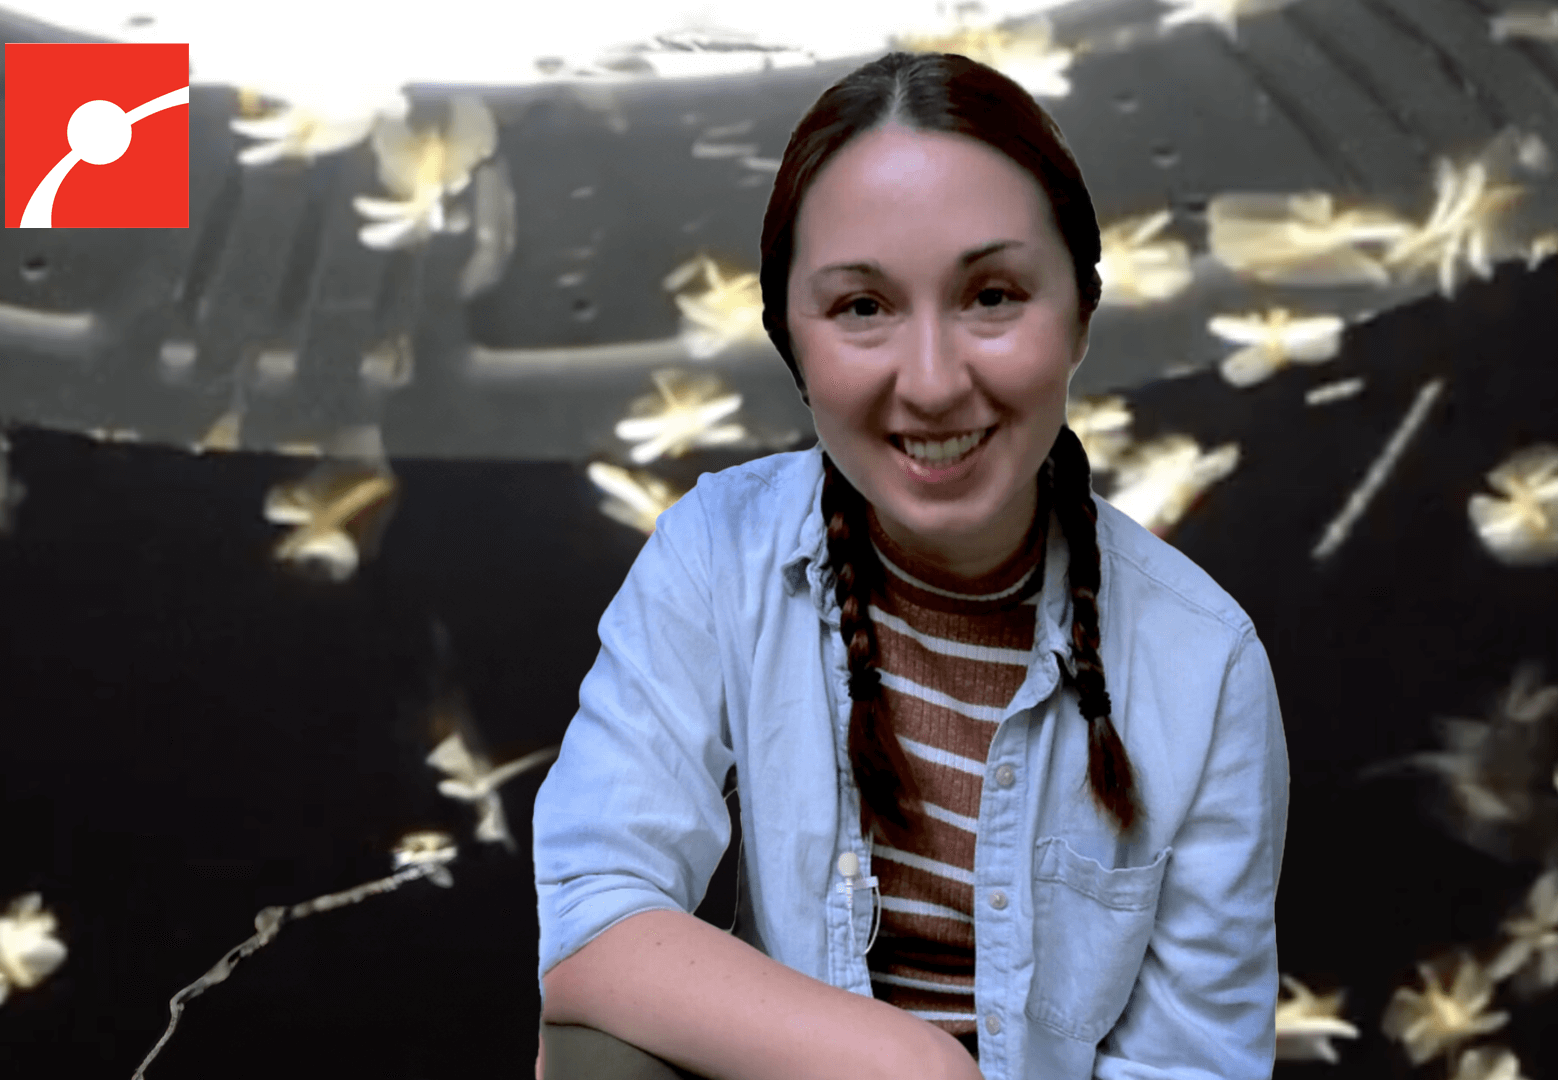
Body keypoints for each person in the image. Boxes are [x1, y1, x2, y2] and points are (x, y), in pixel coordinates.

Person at [533, 49, 1288, 1080]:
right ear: (789, 342)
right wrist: (912, 1066)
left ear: (1081, 316)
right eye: (862, 308)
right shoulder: (717, 552)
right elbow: (591, 920)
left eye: (992, 294)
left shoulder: (1206, 663)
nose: (932, 384)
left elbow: (1193, 1062)